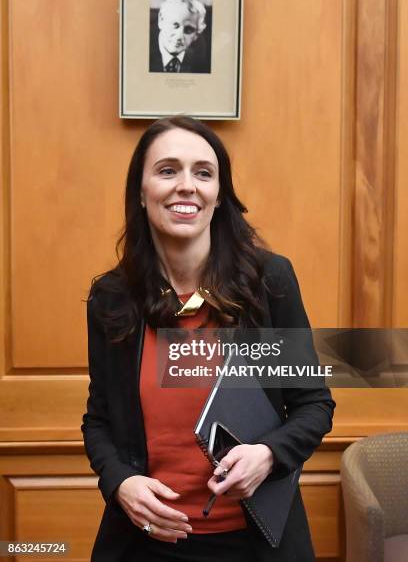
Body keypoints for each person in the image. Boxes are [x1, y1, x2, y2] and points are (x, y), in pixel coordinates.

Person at [81, 116, 336, 561]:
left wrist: (269, 455)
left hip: (255, 543)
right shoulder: (111, 297)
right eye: (167, 170)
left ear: (219, 195)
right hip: (145, 543)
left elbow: (314, 405)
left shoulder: (269, 281)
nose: (187, 185)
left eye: (203, 172)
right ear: (140, 192)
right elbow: (99, 420)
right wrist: (120, 481)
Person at [149, 0, 211, 73]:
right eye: (175, 25)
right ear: (161, 20)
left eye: (188, 30)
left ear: (196, 35)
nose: (179, 36)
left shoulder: (202, 58)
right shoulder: (144, 48)